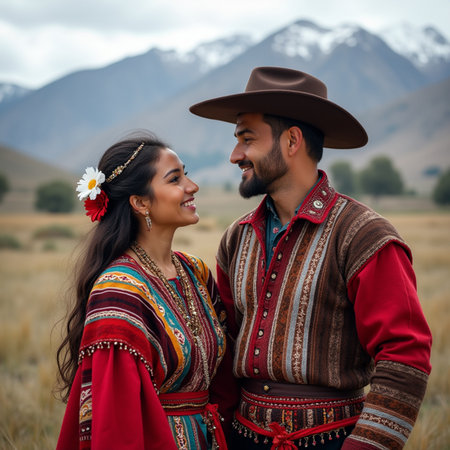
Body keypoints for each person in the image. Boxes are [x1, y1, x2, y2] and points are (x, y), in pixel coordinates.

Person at [189, 67, 432, 449]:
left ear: (291, 141)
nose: (235, 155)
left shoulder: (364, 235)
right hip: (241, 438)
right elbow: (225, 347)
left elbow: (405, 356)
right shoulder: (236, 238)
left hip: (334, 441)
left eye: (247, 139)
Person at [56, 133, 236, 449]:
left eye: (187, 174)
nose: (192, 186)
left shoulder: (196, 272)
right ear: (140, 203)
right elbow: (117, 423)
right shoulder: (117, 292)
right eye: (175, 179)